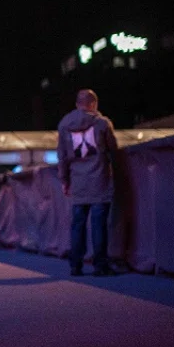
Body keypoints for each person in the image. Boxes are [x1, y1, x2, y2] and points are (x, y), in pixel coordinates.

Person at [56, 89, 119, 277]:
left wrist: (65, 180)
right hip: (100, 179)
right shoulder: (102, 123)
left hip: (78, 182)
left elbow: (62, 156)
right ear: (94, 104)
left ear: (77, 105)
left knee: (78, 224)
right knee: (99, 225)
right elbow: (113, 151)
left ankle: (76, 265)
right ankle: (100, 266)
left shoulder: (64, 125)